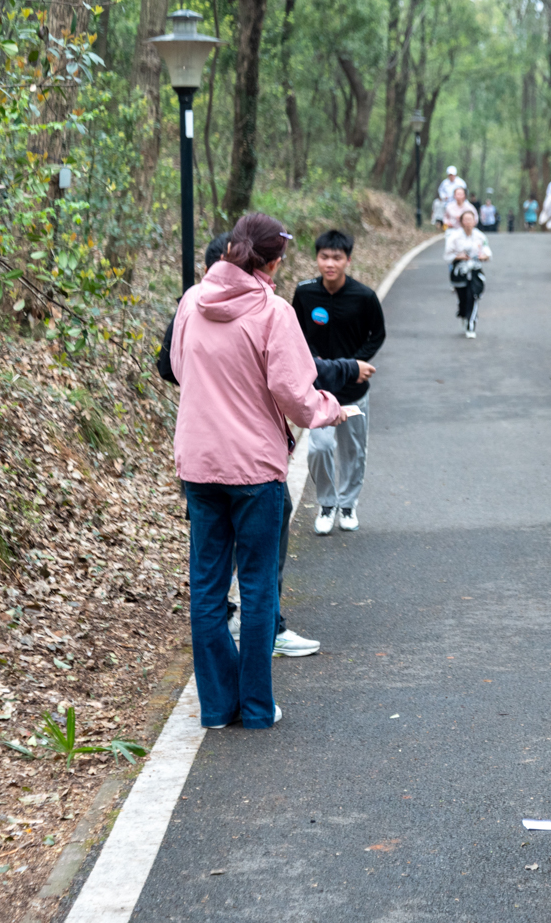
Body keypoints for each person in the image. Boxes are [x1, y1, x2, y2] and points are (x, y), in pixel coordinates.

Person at [171, 214, 347, 730]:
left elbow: (181, 369)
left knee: (206, 589)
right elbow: (295, 393)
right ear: (272, 261)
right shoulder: (274, 311)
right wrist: (329, 409)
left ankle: (216, 707)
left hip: (200, 465)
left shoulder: (190, 302)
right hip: (253, 471)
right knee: (257, 588)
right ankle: (254, 708)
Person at [292, 230, 386, 536]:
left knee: (352, 451)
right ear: (317, 258)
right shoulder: (305, 293)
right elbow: (296, 334)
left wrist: (357, 365)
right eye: (324, 257)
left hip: (354, 391)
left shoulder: (364, 297)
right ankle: (326, 504)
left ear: (348, 260)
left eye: (336, 257)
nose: (330, 263)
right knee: (319, 449)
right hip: (319, 389)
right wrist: (313, 363)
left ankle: (348, 505)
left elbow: (377, 334)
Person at [446, 208, 491, 338]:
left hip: (475, 271)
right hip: (459, 272)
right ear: (461, 222)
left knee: (473, 295)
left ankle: (471, 325)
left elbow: (487, 252)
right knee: (463, 298)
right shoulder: (454, 237)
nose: (468, 222)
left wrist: (484, 256)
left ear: (475, 221)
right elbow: (447, 255)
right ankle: (464, 314)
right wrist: (459, 256)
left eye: (470, 219)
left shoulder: (480, 236)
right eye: (465, 220)